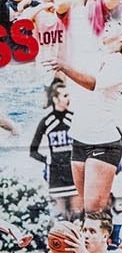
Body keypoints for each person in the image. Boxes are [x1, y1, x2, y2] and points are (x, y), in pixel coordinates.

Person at [48, 16, 122, 215]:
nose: (108, 25)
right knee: (87, 213)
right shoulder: (98, 55)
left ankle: (112, 243)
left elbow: (92, 83)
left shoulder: (119, 63)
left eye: (116, 25)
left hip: (102, 142)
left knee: (94, 212)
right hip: (80, 139)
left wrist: (64, 66)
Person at [28, 80, 76, 217]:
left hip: (75, 176)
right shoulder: (47, 121)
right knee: (60, 220)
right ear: (55, 99)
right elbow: (33, 151)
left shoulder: (74, 119)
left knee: (78, 217)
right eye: (65, 96)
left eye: (69, 95)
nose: (69, 99)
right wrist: (47, 160)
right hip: (57, 179)